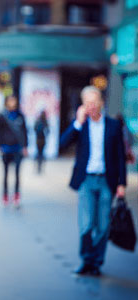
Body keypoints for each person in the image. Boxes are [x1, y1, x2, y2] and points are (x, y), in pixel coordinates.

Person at [60, 86, 126, 276]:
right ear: (83, 105)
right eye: (87, 103)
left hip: (107, 180)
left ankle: (97, 263)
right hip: (86, 180)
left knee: (103, 226)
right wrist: (78, 122)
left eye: (94, 101)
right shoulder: (82, 125)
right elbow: (62, 143)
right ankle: (86, 260)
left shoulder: (113, 125)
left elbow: (120, 156)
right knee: (87, 224)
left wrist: (121, 184)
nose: (92, 106)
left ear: (101, 102)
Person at [0, 95, 28, 208]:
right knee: (5, 174)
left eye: (14, 100)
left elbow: (25, 131)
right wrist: (0, 145)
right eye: (10, 100)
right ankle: (5, 195)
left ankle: (16, 196)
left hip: (17, 148)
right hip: (6, 148)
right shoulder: (2, 116)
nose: (12, 102)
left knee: (17, 174)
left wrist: (25, 146)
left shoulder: (20, 115)